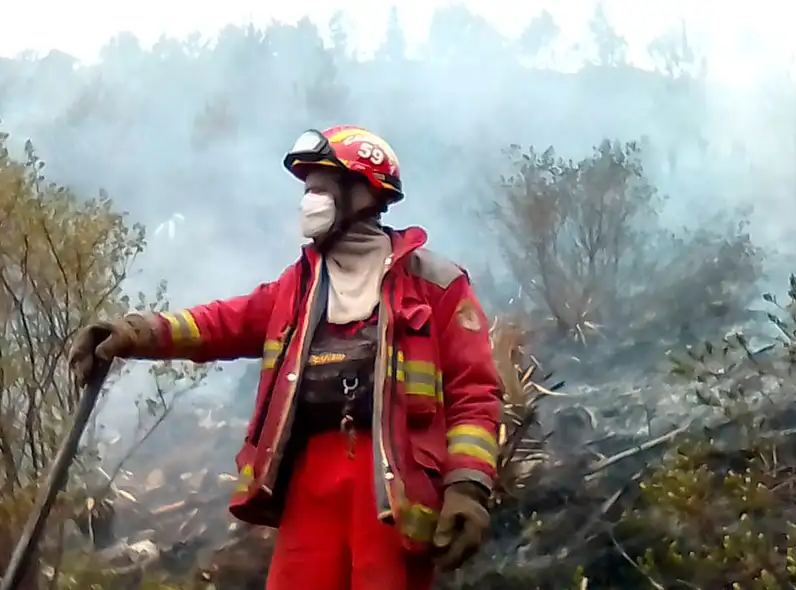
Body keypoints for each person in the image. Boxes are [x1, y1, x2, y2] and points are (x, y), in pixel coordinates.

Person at [68, 125, 502, 590]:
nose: (309, 201)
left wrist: (467, 487)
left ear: (362, 192)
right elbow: (219, 324)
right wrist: (137, 333)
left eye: (320, 188)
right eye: (307, 189)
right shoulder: (299, 287)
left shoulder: (435, 284)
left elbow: (473, 393)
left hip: (393, 488)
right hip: (308, 484)